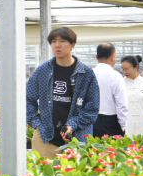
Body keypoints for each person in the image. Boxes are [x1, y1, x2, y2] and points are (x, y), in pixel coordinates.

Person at [26, 27, 99, 158]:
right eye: (53, 41)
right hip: (46, 138)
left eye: (62, 41)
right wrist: (37, 124)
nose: (57, 45)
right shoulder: (42, 71)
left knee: (75, 171)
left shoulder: (86, 73)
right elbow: (27, 99)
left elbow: (92, 109)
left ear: (72, 44)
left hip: (77, 139)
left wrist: (72, 124)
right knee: (43, 170)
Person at [92, 42, 128, 138]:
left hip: (91, 121)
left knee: (92, 146)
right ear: (113, 57)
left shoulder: (89, 74)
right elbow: (121, 104)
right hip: (110, 122)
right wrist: (124, 126)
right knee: (112, 147)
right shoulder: (115, 76)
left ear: (96, 56)